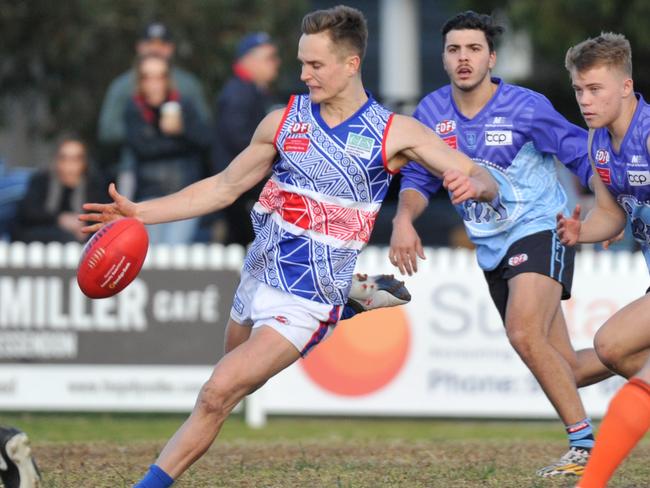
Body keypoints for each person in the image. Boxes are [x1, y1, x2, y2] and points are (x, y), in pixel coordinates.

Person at [80, 6, 497, 486]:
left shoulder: (394, 132)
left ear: (351, 64)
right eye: (301, 62)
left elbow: (475, 172)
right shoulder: (282, 122)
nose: (303, 74)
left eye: (315, 65)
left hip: (307, 297)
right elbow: (222, 187)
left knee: (217, 392)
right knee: (223, 387)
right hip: (259, 271)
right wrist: (140, 212)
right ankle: (352, 296)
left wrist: (478, 187)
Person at [388, 11, 613, 477]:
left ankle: (584, 448)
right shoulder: (430, 113)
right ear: (445, 59)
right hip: (492, 247)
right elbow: (415, 178)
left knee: (522, 333)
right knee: (565, 367)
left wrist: (611, 213)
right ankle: (638, 358)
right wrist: (404, 220)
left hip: (542, 226)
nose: (463, 58)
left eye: (473, 49)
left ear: (491, 57)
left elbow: (578, 151)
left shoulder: (526, 106)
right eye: (454, 50)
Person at [557, 32, 650, 488]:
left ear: (627, 86)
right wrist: (582, 232)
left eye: (595, 90)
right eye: (579, 90)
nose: (585, 100)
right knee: (612, 347)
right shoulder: (598, 143)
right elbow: (611, 216)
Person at [97, 22, 210, 187]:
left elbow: (205, 127)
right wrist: (145, 130)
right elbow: (107, 131)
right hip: (133, 167)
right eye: (149, 44)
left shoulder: (188, 84)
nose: (155, 49)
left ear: (170, 48)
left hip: (184, 169)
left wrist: (181, 128)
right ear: (139, 47)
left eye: (162, 44)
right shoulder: (122, 86)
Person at [124, 53, 212, 245]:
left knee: (175, 250)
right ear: (140, 81)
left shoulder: (184, 105)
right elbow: (142, 149)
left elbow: (207, 140)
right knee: (152, 253)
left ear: (168, 79)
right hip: (149, 194)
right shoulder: (134, 108)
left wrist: (182, 130)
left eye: (160, 76)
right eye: (148, 77)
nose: (154, 83)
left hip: (185, 194)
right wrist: (175, 139)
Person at [211, 32, 281, 245]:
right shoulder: (239, 93)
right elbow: (240, 139)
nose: (276, 63)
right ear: (249, 60)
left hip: (246, 185)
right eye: (269, 58)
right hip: (242, 189)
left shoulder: (255, 91)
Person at [11, 136, 104, 243]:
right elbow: (28, 214)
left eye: (75, 159)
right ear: (56, 160)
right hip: (41, 238)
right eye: (63, 158)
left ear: (84, 163)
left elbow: (99, 218)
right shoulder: (41, 181)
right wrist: (60, 219)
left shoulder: (92, 185)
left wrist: (80, 226)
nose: (68, 165)